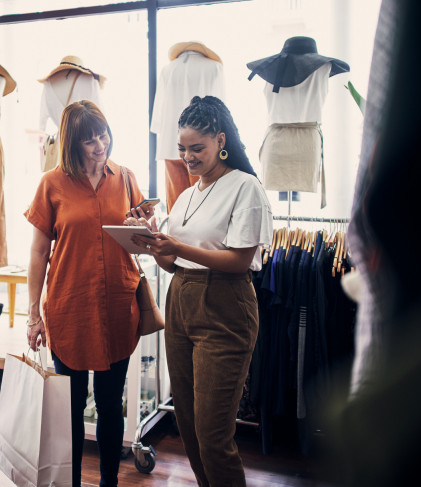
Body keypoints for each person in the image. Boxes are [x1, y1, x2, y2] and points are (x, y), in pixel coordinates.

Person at [130, 96, 273, 486]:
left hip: (225, 306)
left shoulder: (245, 187)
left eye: (197, 149)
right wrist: (152, 241)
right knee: (189, 427)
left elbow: (240, 260)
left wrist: (177, 247)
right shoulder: (188, 195)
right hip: (181, 301)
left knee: (213, 435)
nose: (188, 157)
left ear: (220, 141)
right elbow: (172, 263)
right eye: (182, 149)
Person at [24, 100, 153, 487]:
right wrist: (33, 314)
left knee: (112, 405)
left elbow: (142, 240)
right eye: (89, 140)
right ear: (72, 144)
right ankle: (73, 483)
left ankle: (109, 483)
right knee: (72, 409)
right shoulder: (51, 184)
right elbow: (37, 252)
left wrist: (145, 226)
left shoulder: (126, 178)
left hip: (118, 306)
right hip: (69, 308)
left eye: (103, 134)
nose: (100, 145)